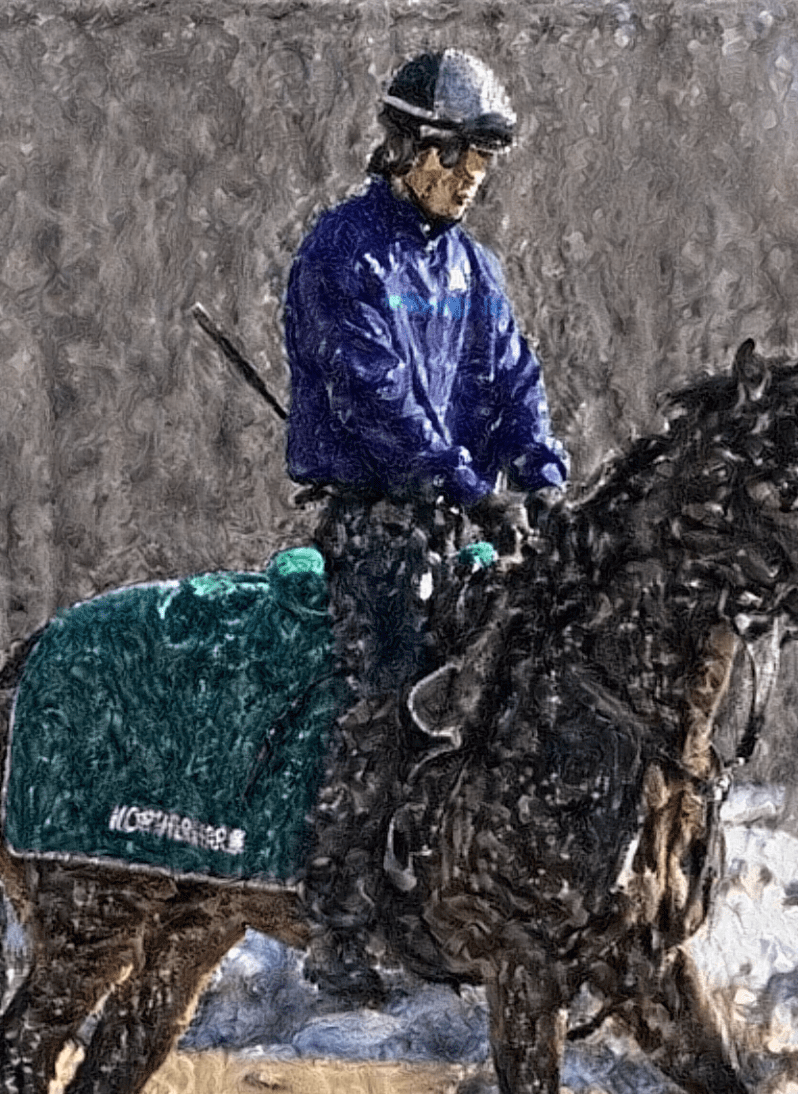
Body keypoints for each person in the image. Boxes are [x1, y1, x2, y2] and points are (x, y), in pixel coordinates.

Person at [283, 49, 569, 1003]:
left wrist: (543, 474)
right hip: (377, 524)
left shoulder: (474, 271)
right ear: (404, 146)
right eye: (452, 163)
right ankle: (338, 914)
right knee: (392, 688)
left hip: (462, 520)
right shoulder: (342, 253)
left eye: (480, 168)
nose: (467, 185)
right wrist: (460, 480)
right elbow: (374, 396)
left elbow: (511, 381)